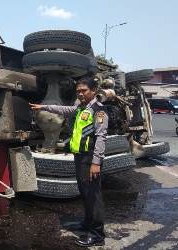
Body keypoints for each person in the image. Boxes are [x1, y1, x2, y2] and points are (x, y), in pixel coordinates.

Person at [29, 77, 108, 247]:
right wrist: (44, 107)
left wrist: (96, 162)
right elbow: (64, 109)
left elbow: (101, 137)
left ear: (93, 90)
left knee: (93, 197)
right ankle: (87, 224)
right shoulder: (81, 108)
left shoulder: (98, 111)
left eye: (84, 90)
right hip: (80, 157)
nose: (80, 94)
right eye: (78, 91)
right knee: (85, 194)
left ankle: (97, 235)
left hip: (90, 159)